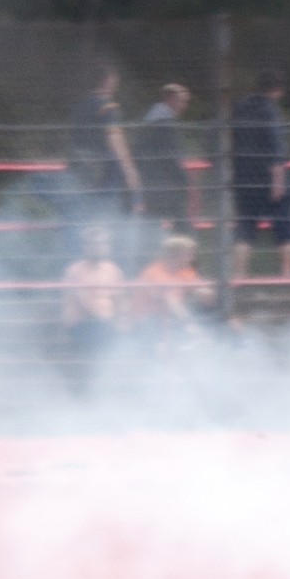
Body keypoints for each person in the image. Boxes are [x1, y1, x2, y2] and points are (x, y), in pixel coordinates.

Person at [229, 69, 290, 284]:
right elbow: (275, 148)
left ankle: (239, 275)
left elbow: (234, 140)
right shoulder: (270, 111)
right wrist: (278, 182)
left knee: (245, 228)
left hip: (245, 177)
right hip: (269, 179)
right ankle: (287, 275)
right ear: (278, 89)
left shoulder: (240, 107)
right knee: (285, 226)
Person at [68, 65, 140, 227]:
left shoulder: (80, 106)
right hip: (102, 168)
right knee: (104, 212)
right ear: (108, 80)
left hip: (78, 164)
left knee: (81, 211)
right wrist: (130, 170)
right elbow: (115, 139)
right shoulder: (107, 107)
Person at [60, 222, 126, 387]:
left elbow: (120, 299)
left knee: (125, 338)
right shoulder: (75, 271)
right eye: (94, 244)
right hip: (83, 323)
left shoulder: (113, 270)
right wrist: (106, 320)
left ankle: (111, 386)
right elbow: (82, 300)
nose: (98, 248)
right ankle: (93, 387)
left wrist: (122, 321)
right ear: (86, 247)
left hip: (107, 324)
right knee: (103, 337)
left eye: (102, 244)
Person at [132, 230, 212, 342]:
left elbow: (203, 291)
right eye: (188, 255)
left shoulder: (185, 270)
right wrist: (190, 326)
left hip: (169, 319)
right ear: (175, 255)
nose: (192, 259)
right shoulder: (154, 273)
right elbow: (171, 301)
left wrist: (207, 293)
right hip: (147, 320)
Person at [136, 84, 195, 230]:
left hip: (151, 181)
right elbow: (172, 156)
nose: (184, 106)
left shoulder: (151, 119)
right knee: (181, 224)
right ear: (171, 99)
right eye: (182, 101)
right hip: (168, 183)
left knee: (152, 223)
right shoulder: (165, 123)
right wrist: (184, 179)